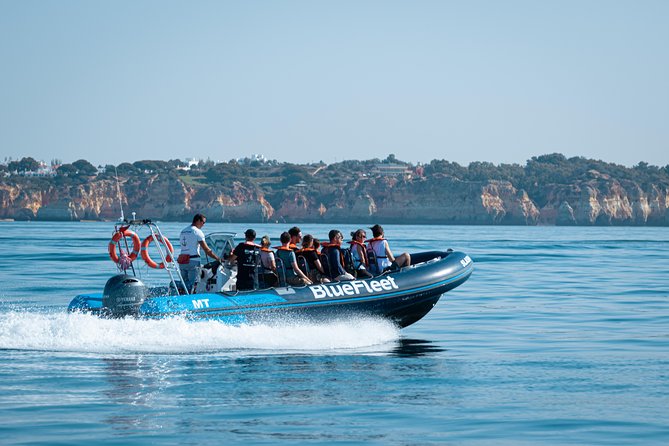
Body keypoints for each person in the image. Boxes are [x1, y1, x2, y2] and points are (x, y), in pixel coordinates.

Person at [178, 213, 220, 293]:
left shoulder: (183, 231)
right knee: (194, 285)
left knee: (184, 284)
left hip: (182, 260)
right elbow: (207, 250)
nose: (203, 225)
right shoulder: (197, 232)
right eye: (203, 222)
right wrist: (218, 258)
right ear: (197, 221)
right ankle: (191, 300)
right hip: (193, 261)